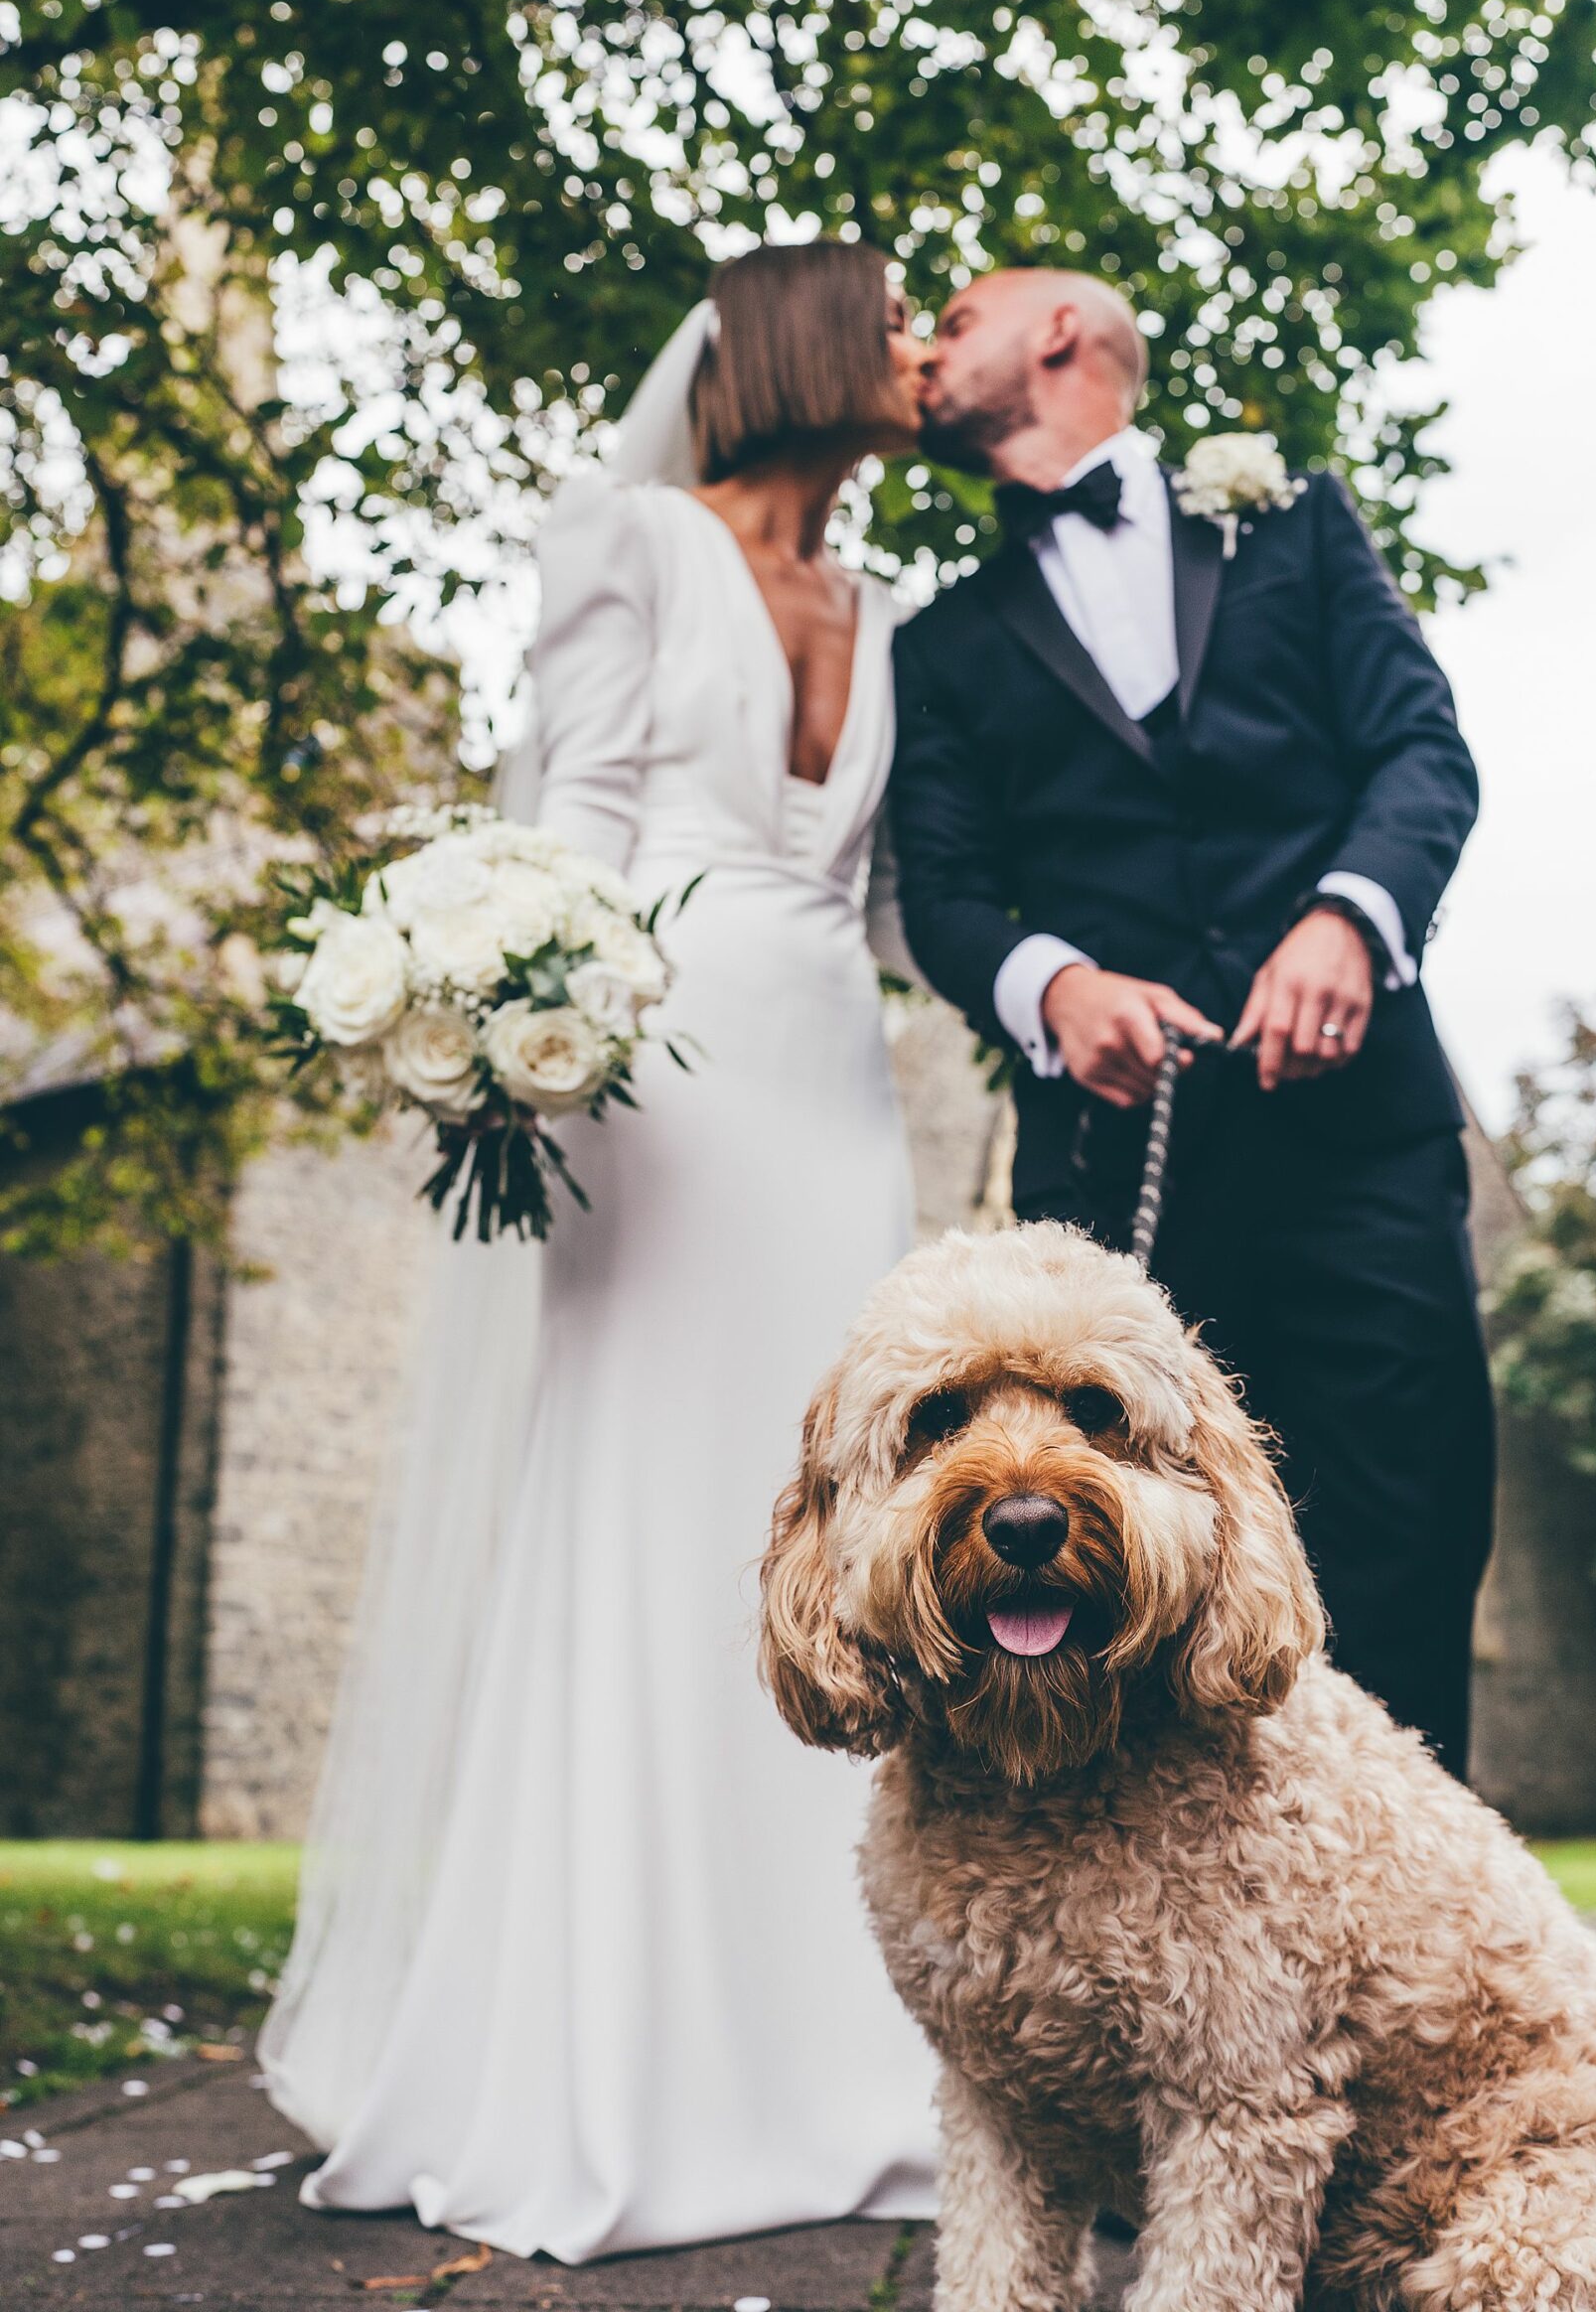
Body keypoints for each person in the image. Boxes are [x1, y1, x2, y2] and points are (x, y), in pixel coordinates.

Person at [261, 241, 939, 2261]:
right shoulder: (627, 536)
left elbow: (892, 896)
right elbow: (570, 817)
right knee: (655, 1522)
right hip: (659, 1079)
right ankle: (618, 2062)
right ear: (807, 346)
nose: (917, 357)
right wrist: (511, 1027)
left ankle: (849, 2044)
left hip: (836, 1090)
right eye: (893, 320)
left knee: (835, 1526)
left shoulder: (890, 600)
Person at [889, 266, 1494, 1780]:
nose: (922, 351)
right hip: (1118, 1188)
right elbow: (946, 893)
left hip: (1362, 1147)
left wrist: (1350, 915)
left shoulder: (1293, 528)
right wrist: (1055, 984)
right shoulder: (942, 644)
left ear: (1061, 335)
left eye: (954, 320)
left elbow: (1423, 752)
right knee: (1116, 1567)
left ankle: (1413, 1954)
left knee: (1404, 1537)